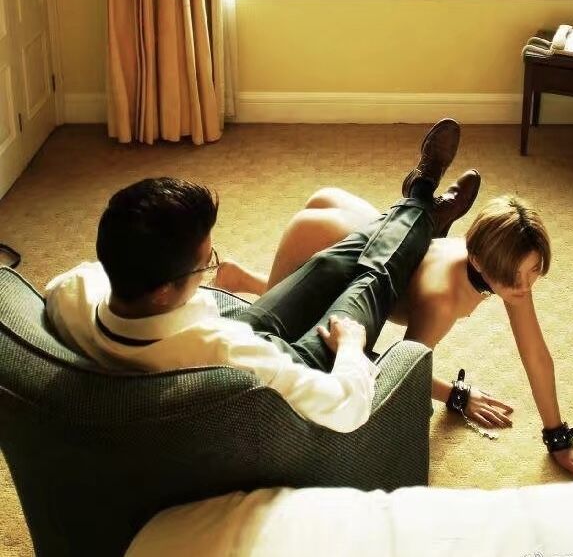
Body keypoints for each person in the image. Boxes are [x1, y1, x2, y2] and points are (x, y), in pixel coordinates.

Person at [44, 118, 480, 435]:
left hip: (225, 329)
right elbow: (345, 409)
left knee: (327, 264)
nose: (211, 267)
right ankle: (420, 203)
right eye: (206, 263)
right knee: (374, 279)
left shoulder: (71, 294)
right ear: (160, 292)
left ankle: (419, 204)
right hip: (294, 361)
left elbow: (61, 288)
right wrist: (351, 348)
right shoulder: (230, 355)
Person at [215, 185, 573, 482]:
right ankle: (249, 285)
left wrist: (559, 439)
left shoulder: (507, 267)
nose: (525, 288)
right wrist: (458, 395)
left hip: (356, 220)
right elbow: (401, 371)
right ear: (479, 261)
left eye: (535, 271)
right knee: (294, 344)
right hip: (325, 241)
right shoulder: (443, 300)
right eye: (517, 278)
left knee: (335, 304)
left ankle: (244, 278)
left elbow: (535, 354)